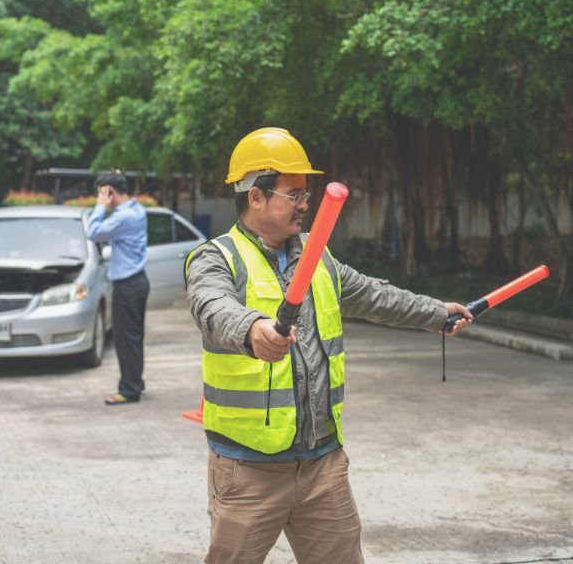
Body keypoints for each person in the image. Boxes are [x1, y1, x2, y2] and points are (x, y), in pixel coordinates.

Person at [184, 127, 472, 563]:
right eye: (293, 194)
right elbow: (212, 306)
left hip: (323, 465)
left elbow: (374, 295)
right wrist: (253, 329)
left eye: (306, 195)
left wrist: (435, 312)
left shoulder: (318, 258)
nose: (305, 204)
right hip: (248, 470)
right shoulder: (215, 258)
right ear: (255, 196)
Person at [87, 171, 149, 405]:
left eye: (102, 193)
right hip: (137, 281)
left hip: (128, 285)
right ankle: (136, 381)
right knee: (134, 336)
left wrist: (101, 206)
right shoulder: (137, 210)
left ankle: (129, 389)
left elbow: (93, 232)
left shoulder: (124, 218)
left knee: (126, 339)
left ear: (110, 192)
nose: (100, 197)